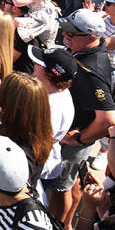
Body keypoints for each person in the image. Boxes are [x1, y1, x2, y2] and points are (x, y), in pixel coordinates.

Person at [51, 8, 115, 230]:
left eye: (71, 34)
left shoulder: (90, 70)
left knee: (60, 187)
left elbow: (109, 119)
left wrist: (80, 138)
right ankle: (68, 224)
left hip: (72, 139)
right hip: (72, 132)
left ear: (91, 37)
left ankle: (56, 228)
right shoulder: (88, 52)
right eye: (66, 31)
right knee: (72, 182)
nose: (65, 37)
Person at [28, 46, 76, 199]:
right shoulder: (53, 93)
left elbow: (35, 142)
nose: (34, 64)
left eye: (39, 63)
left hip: (35, 170)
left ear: (50, 74)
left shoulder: (51, 106)